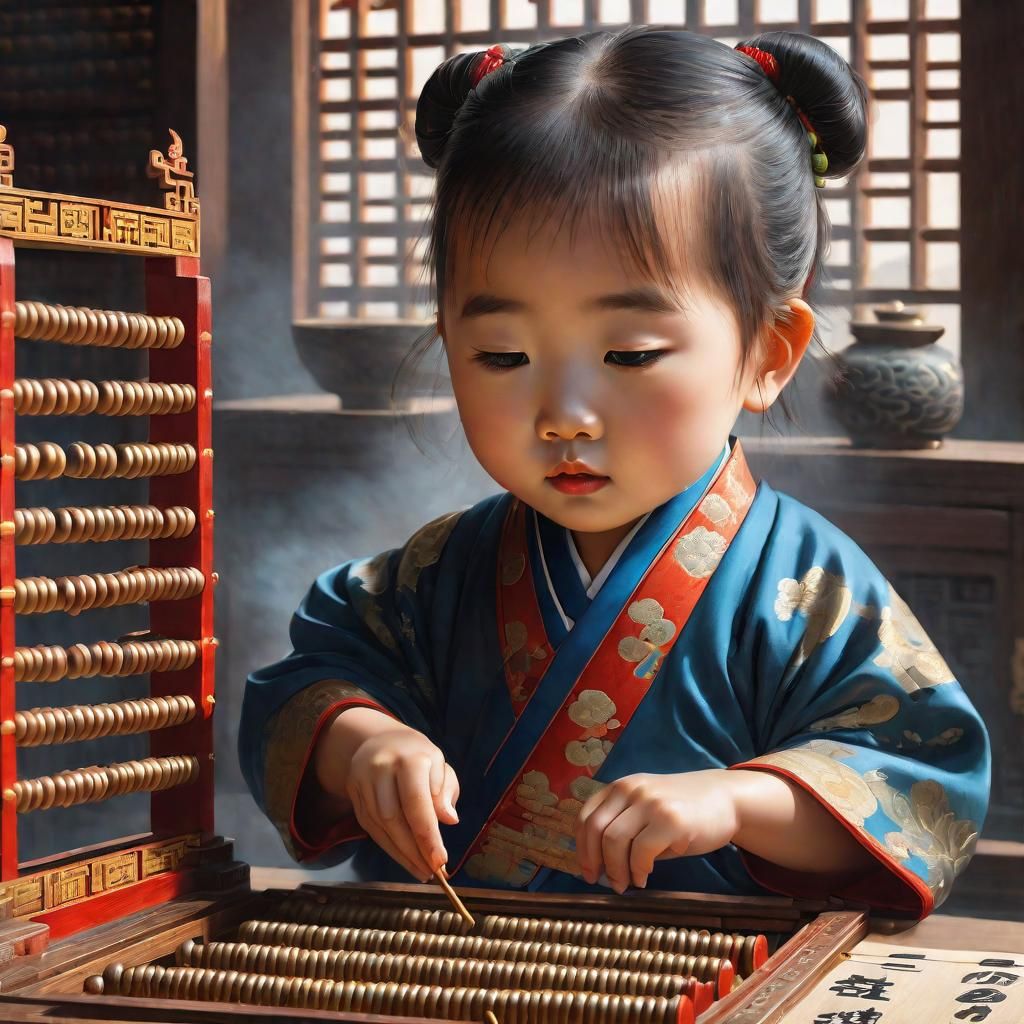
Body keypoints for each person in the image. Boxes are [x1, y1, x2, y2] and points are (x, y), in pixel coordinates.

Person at [238, 27, 990, 918]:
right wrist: (360, 745)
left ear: (769, 350)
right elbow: (301, 691)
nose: (563, 413)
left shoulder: (804, 588)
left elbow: (920, 780)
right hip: (443, 973)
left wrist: (739, 801)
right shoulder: (435, 576)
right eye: (502, 354)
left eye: (630, 354)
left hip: (711, 982)